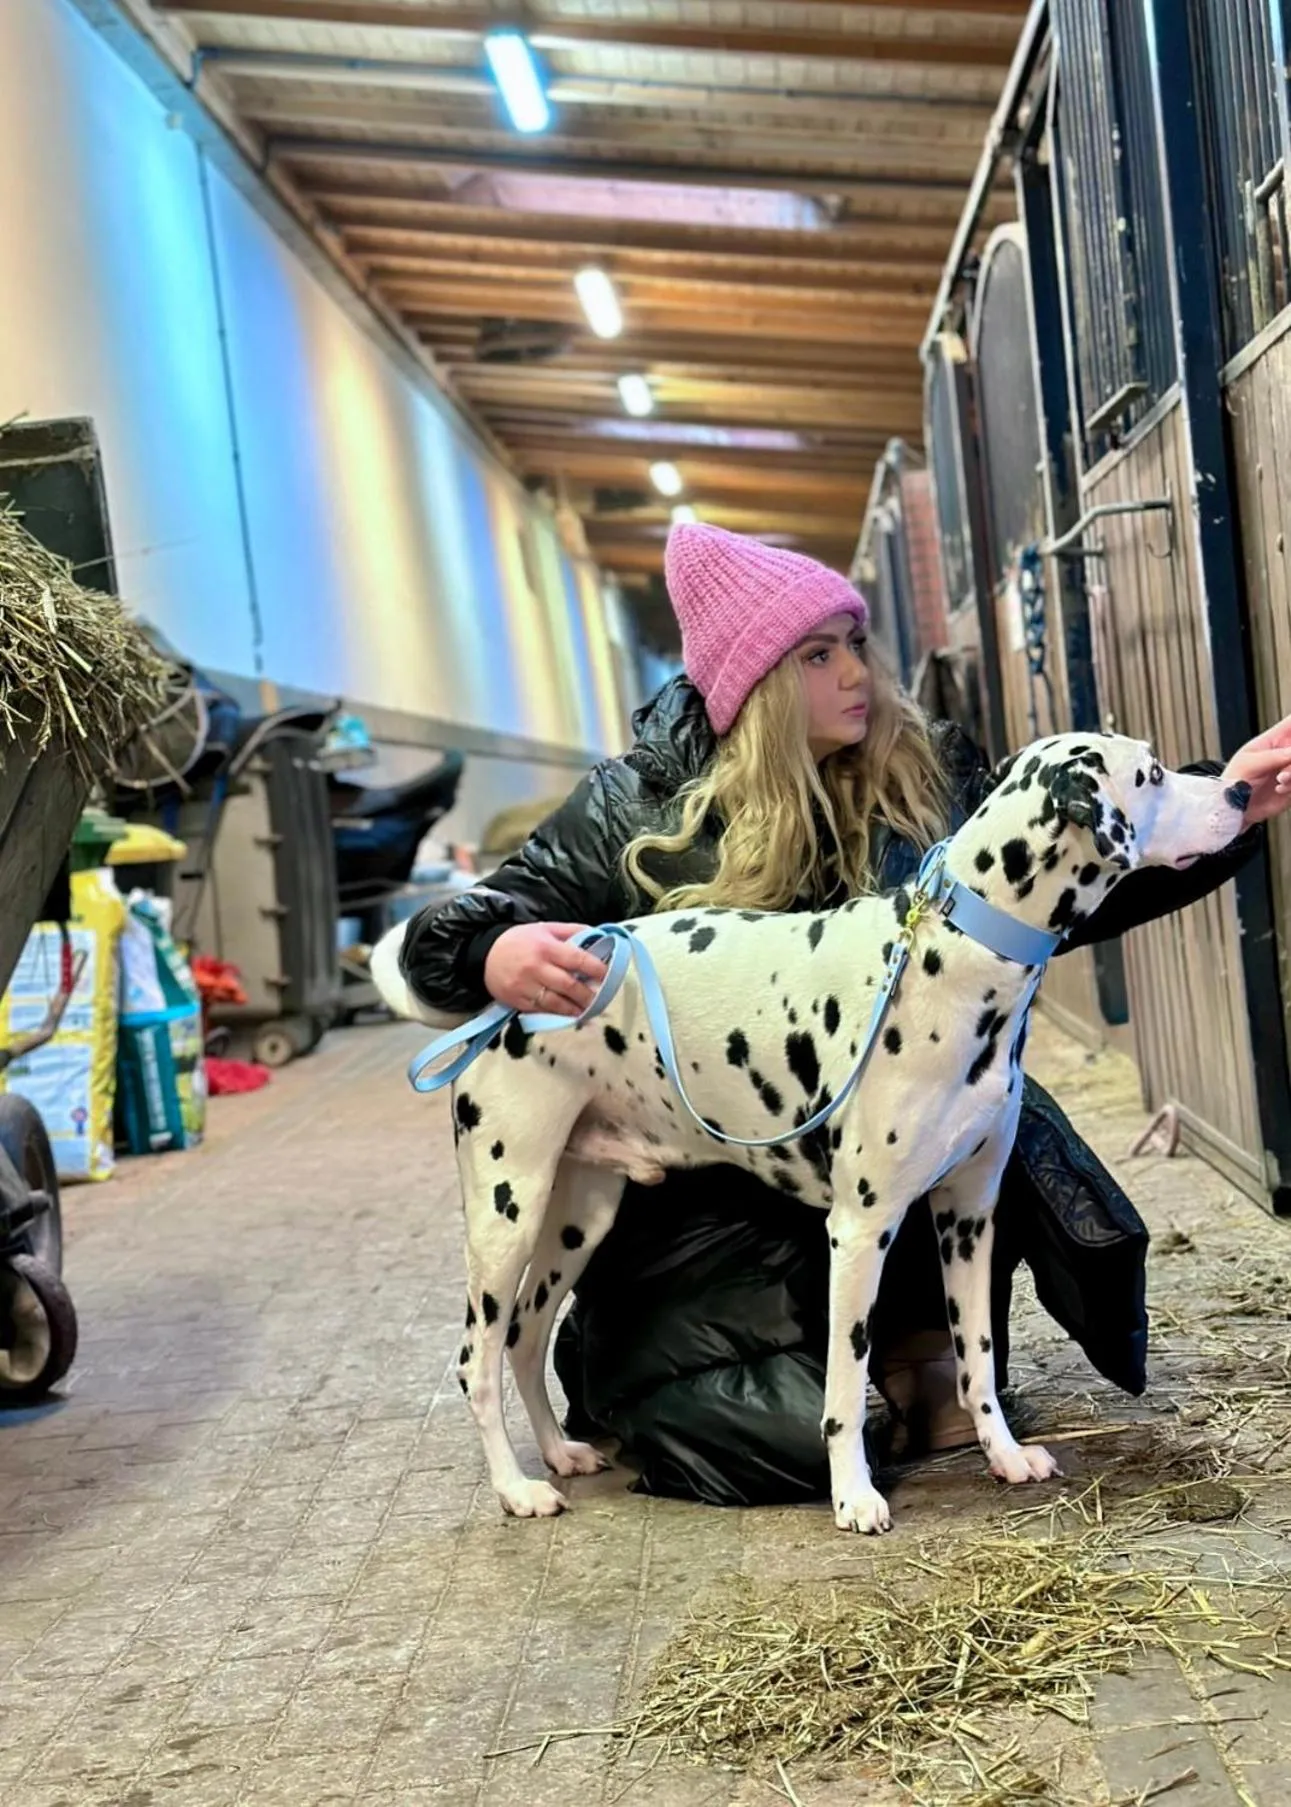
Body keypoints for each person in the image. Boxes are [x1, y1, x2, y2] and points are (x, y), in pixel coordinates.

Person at [399, 525, 1291, 1507]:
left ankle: (923, 1350)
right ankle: (654, 1376)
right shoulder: (634, 806)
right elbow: (464, 921)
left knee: (967, 1109)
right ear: (754, 684)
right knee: (766, 1443)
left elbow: (1078, 870)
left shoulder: (929, 772)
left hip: (883, 1150)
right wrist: (491, 950)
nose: (855, 672)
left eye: (854, 641)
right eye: (815, 655)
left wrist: (1223, 801)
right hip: (707, 1204)